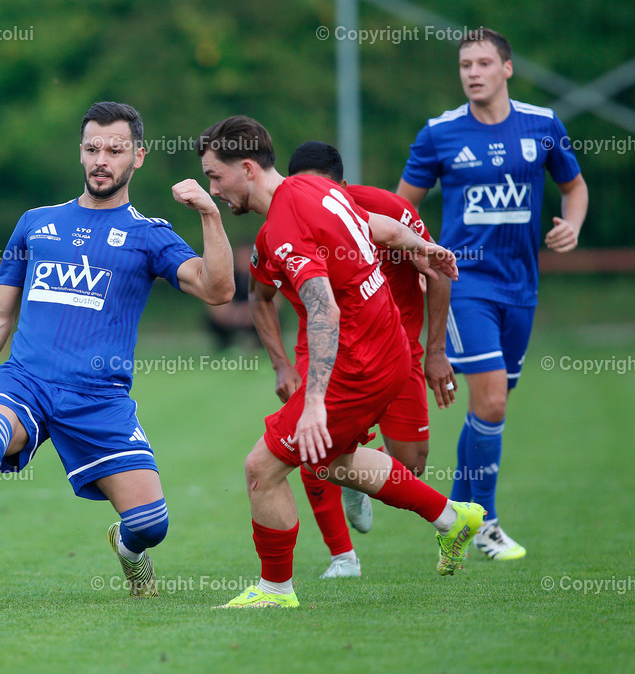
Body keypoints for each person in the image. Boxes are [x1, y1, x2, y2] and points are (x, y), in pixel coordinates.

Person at [0, 101, 234, 611]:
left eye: (115, 149)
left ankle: (128, 548)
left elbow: (218, 291)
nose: (102, 159)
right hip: (26, 382)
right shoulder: (36, 224)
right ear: (80, 153)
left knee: (151, 525)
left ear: (139, 156)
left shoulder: (148, 234)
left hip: (99, 399)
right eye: (92, 148)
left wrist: (209, 214)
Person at [193, 115, 482, 609]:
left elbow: (323, 308)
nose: (213, 188)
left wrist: (314, 403)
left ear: (245, 168)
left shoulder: (286, 225)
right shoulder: (311, 188)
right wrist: (423, 246)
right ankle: (454, 521)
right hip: (389, 347)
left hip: (360, 363)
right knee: (331, 461)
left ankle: (275, 590)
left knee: (261, 467)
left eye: (215, 176)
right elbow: (379, 227)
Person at [397, 28, 588, 561]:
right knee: (494, 401)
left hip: (521, 288)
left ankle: (456, 519)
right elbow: (400, 211)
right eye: (465, 65)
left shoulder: (543, 126)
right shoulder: (439, 134)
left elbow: (574, 186)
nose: (473, 73)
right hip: (464, 285)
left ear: (507, 68)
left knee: (488, 410)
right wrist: (419, 261)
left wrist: (571, 225)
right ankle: (486, 524)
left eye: (483, 63)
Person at [248, 140, 456, 579]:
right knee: (306, 450)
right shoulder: (283, 224)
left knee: (409, 461)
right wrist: (284, 365)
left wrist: (436, 351)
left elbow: (436, 264)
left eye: (216, 176)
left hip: (390, 348)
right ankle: (341, 558)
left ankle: (450, 517)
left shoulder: (382, 209)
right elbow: (262, 295)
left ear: (341, 187)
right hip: (326, 351)